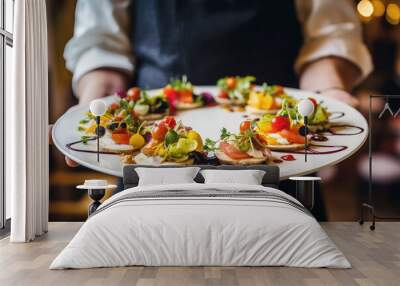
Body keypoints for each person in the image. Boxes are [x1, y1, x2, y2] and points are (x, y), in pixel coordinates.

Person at [58, 0, 373, 218]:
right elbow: (101, 45)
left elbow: (330, 35)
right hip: (150, 158)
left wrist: (329, 95)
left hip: (278, 158)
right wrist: (91, 115)